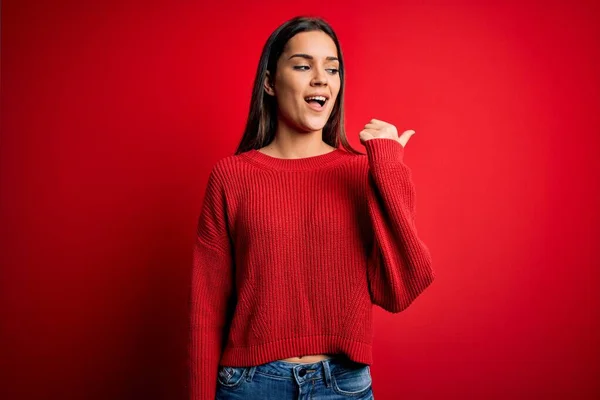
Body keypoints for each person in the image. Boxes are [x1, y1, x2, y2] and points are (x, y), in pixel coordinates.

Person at [188, 15, 435, 400]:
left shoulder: (360, 173)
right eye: (303, 66)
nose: (321, 78)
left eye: (332, 68)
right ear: (270, 82)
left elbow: (402, 287)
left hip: (343, 385)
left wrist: (387, 165)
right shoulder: (231, 176)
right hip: (250, 386)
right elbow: (206, 310)